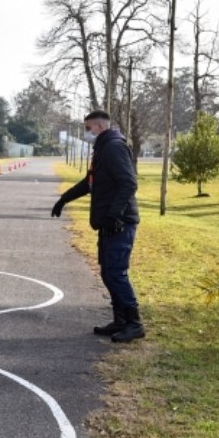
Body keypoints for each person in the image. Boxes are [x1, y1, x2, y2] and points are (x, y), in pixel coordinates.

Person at [51, 109, 145, 342]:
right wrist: (64, 199)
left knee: (116, 272)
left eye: (88, 128)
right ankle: (120, 320)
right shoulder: (103, 148)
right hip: (108, 222)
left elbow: (129, 183)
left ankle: (134, 324)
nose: (87, 133)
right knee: (108, 271)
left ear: (99, 127)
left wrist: (115, 215)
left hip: (120, 223)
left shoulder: (113, 147)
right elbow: (90, 182)